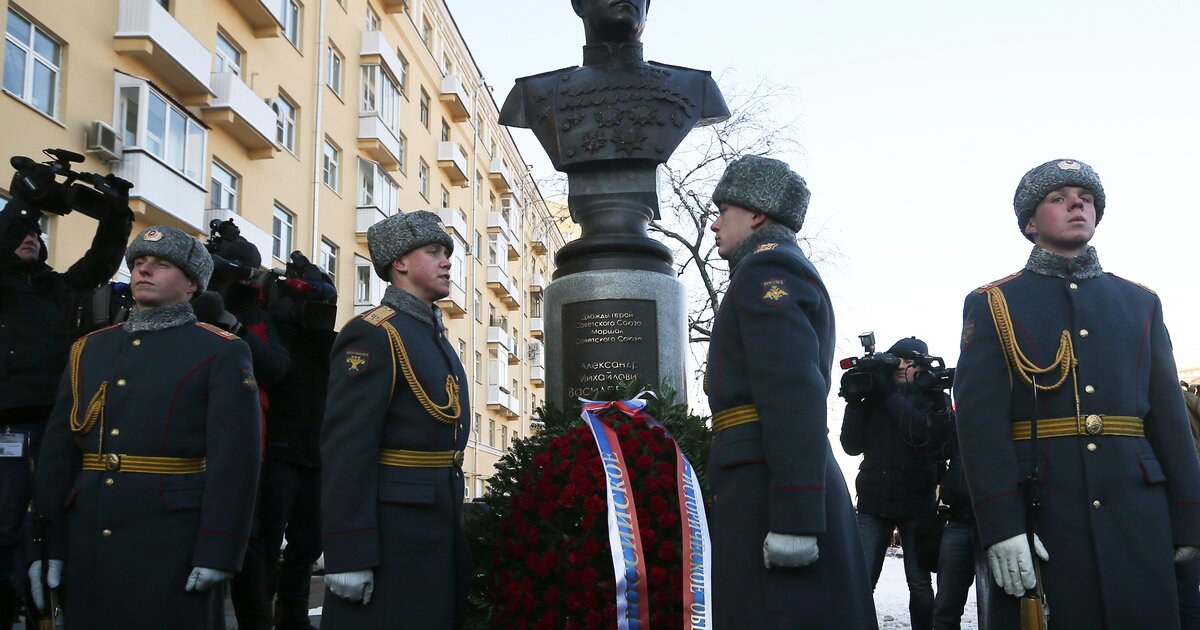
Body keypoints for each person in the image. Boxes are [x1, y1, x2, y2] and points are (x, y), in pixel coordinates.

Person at [954, 159, 1200, 628]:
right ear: (1029, 222)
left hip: (1137, 509)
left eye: (1086, 198)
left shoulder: (1140, 302)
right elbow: (979, 426)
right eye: (1058, 198)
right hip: (1044, 509)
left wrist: (1189, 515)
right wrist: (1001, 525)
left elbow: (1169, 419)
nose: (1076, 204)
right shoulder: (993, 302)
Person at [28, 226, 262, 628]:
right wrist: (45, 542)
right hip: (90, 531)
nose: (144, 270)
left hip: (172, 537)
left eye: (161, 264)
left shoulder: (221, 350)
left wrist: (219, 550)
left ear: (192, 284)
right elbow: (58, 452)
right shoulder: (90, 348)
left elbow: (236, 461)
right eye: (138, 263)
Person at [705, 155, 877, 628]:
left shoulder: (768, 270)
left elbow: (793, 395)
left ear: (758, 214)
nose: (715, 225)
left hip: (768, 482)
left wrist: (795, 516)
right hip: (761, 473)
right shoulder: (761, 270)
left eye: (724, 211)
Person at [320, 210, 471, 629]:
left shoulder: (431, 334)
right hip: (392, 533)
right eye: (434, 252)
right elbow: (347, 447)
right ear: (399, 263)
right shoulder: (375, 332)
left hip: (434, 522)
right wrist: (348, 552)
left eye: (447, 253)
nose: (447, 262)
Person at [0, 196, 131, 628]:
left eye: (37, 234)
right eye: (21, 234)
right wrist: (25, 205)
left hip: (54, 422)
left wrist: (116, 213)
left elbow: (99, 262)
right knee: (4, 526)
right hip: (7, 423)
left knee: (47, 522)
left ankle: (43, 612)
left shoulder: (54, 288)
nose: (31, 239)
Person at [202, 228, 291, 630]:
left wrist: (232, 325)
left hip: (247, 446)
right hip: (185, 441)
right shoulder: (184, 301)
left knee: (248, 543)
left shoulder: (256, 314)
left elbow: (276, 368)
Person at [840, 336, 950, 630]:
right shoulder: (873, 396)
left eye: (910, 361)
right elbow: (851, 445)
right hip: (873, 502)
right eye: (897, 359)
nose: (902, 366)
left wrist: (888, 395)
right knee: (861, 581)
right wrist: (855, 403)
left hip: (917, 503)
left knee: (920, 584)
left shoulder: (933, 396)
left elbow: (920, 433)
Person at [258, 253, 337, 630]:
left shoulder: (330, 344)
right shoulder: (270, 335)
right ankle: (261, 613)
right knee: (266, 542)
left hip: (315, 456)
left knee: (308, 542)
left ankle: (291, 612)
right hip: (277, 454)